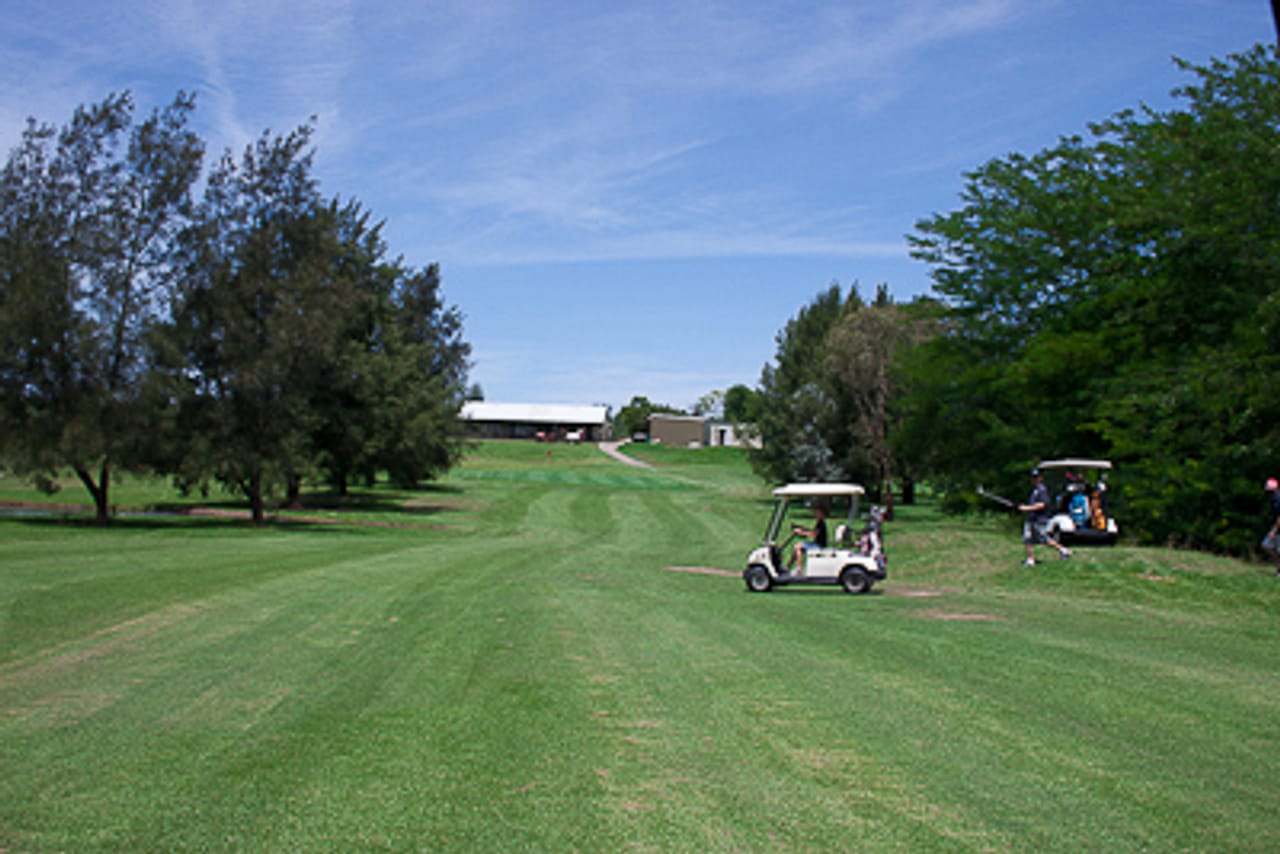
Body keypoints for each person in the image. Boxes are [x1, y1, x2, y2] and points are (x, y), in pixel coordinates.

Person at [1018, 468, 1071, 566]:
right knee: (1027, 538)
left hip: (1039, 519)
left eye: (1036, 477)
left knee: (1044, 539)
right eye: (1033, 477)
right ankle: (1031, 559)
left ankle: (1063, 550)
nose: (1034, 479)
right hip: (1032, 518)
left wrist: (1027, 508)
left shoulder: (1042, 490)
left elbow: (1042, 504)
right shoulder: (1034, 490)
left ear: (1041, 478)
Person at [787, 503, 828, 575]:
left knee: (797, 546)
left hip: (819, 546)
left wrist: (801, 532)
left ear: (822, 514)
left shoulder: (821, 524)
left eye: (817, 512)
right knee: (797, 548)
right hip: (816, 544)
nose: (815, 514)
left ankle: (799, 569)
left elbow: (813, 535)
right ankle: (787, 567)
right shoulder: (819, 523)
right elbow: (813, 532)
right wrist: (803, 530)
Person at [1264, 477, 1280, 575]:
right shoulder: (1272, 499)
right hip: (1276, 527)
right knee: (1266, 546)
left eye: (1271, 491)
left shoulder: (1279, 499)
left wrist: (1274, 530)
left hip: (1278, 528)